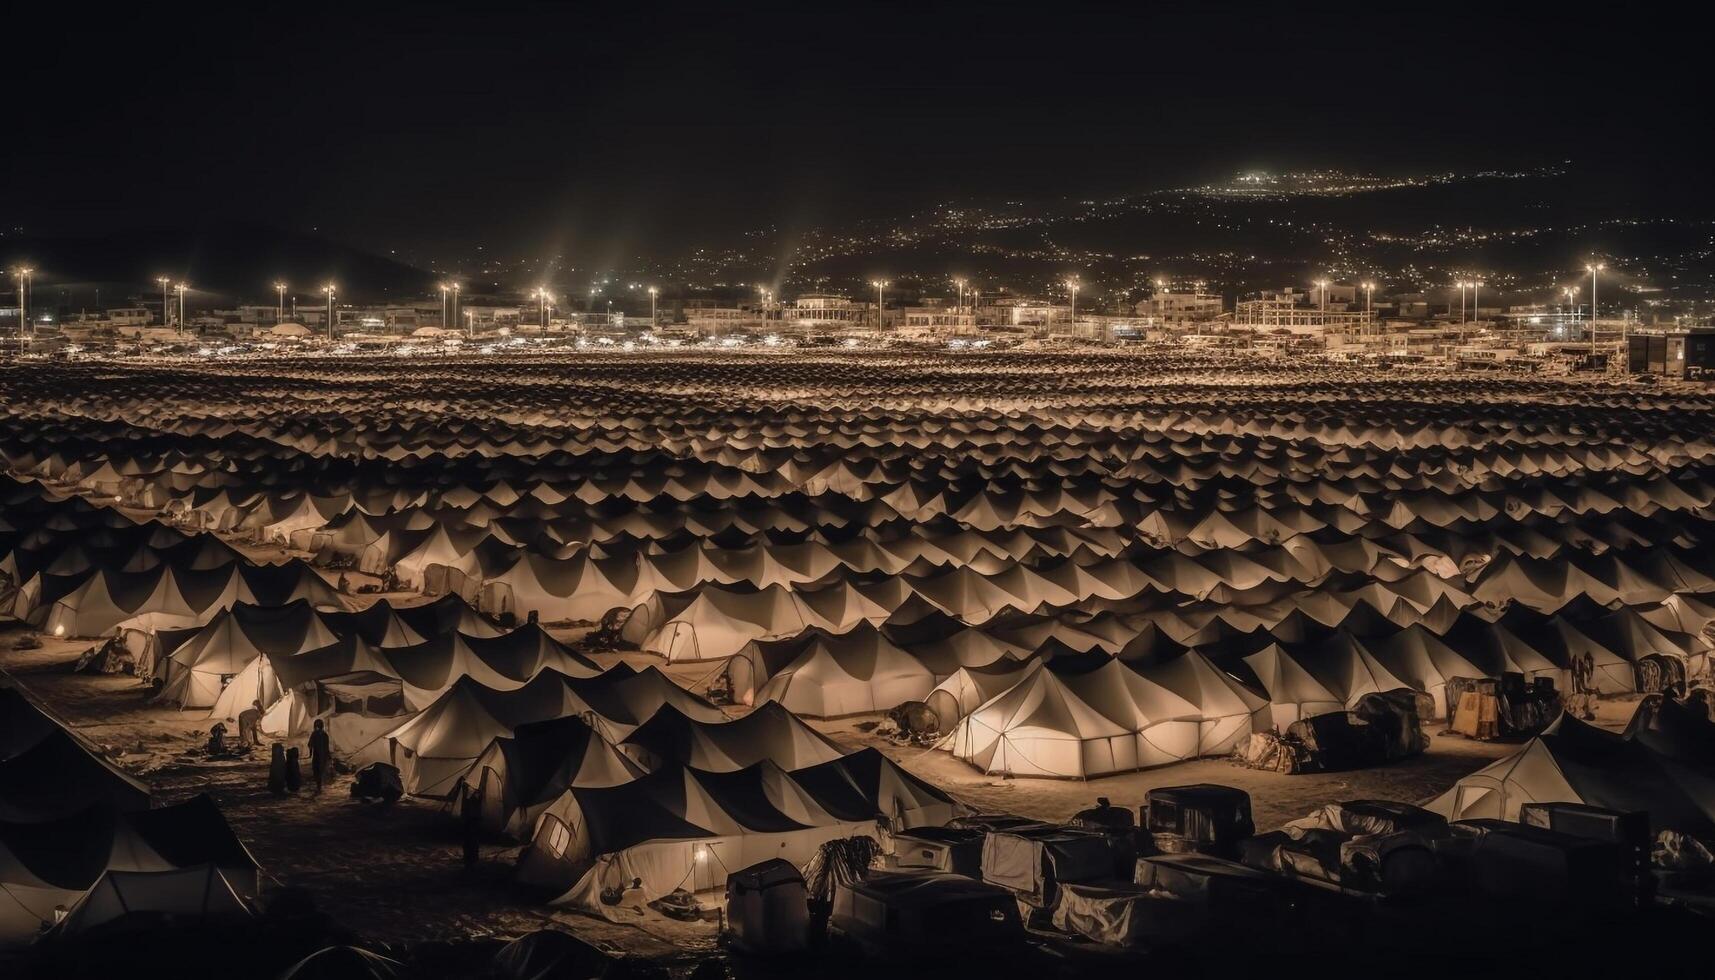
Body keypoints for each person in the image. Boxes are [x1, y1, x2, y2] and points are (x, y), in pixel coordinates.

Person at [308, 719, 332, 794]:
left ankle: (319, 786)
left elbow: (310, 744)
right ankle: (319, 786)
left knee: (316, 770)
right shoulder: (325, 735)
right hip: (322, 756)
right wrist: (328, 755)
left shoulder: (314, 734)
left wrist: (310, 753)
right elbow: (326, 747)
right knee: (320, 771)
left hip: (317, 755)